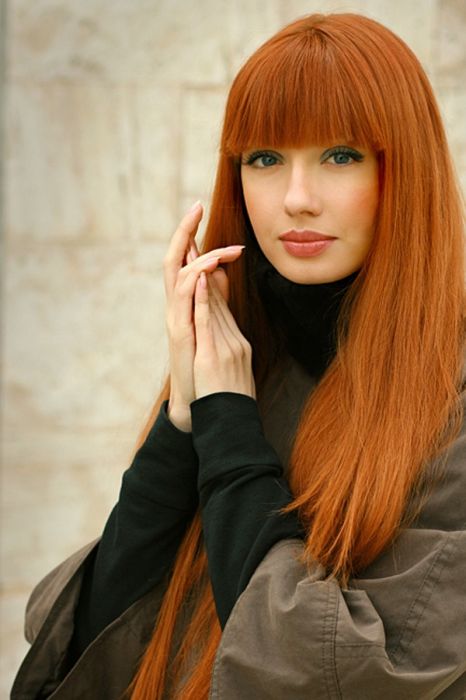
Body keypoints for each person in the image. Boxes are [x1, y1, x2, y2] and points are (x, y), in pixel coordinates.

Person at [12, 11, 466, 700]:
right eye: (265, 158)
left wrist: (228, 426)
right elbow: (96, 650)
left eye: (340, 155)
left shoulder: (450, 401)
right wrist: (186, 418)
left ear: (402, 169)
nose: (296, 199)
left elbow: (328, 677)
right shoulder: (254, 365)